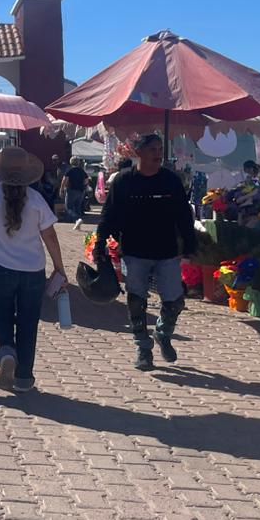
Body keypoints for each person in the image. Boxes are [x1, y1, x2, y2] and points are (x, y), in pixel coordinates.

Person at [96, 133, 197, 371]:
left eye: (160, 149)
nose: (158, 154)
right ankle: (143, 347)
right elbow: (109, 214)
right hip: (134, 250)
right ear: (138, 152)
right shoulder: (123, 181)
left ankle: (163, 333)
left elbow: (183, 215)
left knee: (175, 301)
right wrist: (101, 241)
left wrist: (190, 245)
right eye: (152, 149)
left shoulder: (171, 180)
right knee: (136, 300)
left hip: (167, 250)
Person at [0, 147, 66, 392]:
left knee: (1, 314)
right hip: (33, 269)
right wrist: (59, 267)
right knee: (28, 321)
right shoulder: (36, 199)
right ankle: (24, 377)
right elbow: (50, 236)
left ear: (0, 171)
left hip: (0, 266)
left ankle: (6, 352)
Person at [64, 156, 88, 226]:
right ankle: (78, 221)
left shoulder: (69, 170)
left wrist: (63, 188)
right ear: (78, 162)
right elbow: (86, 181)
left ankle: (76, 218)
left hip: (71, 190)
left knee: (69, 207)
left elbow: (65, 180)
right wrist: (83, 186)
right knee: (78, 207)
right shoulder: (82, 171)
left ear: (71, 162)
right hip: (81, 191)